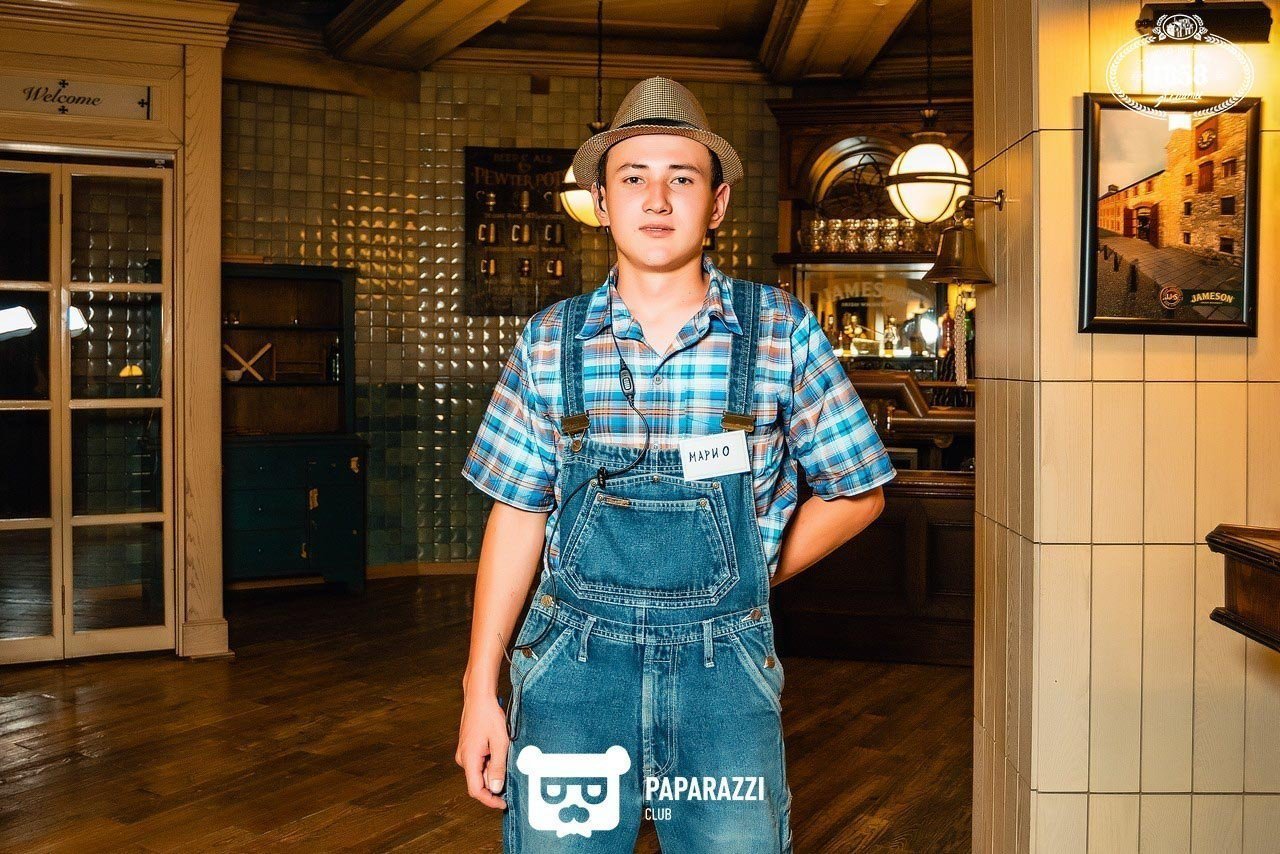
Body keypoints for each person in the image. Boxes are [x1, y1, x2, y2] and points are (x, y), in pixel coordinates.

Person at [456, 76, 896, 853]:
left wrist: (750, 574)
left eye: (682, 179)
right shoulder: (550, 341)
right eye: (634, 178)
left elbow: (858, 493)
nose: (657, 200)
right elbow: (517, 511)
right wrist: (477, 689)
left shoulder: (779, 331)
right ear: (601, 201)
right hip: (571, 673)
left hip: (723, 677)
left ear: (716, 204)